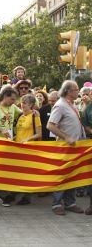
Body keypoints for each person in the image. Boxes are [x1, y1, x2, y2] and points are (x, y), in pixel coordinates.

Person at [47, 80, 85, 215]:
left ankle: (70, 203)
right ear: (68, 91)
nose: (78, 92)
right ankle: (56, 204)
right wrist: (66, 137)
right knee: (62, 175)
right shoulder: (60, 105)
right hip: (65, 147)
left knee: (72, 175)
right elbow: (50, 125)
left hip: (74, 148)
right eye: (76, 89)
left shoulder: (71, 104)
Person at [13, 94, 42, 205]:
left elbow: (39, 134)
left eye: (25, 103)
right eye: (22, 102)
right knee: (20, 172)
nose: (22, 104)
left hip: (29, 149)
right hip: (18, 148)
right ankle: (19, 192)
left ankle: (27, 197)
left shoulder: (35, 116)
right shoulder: (20, 116)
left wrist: (27, 139)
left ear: (31, 105)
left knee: (28, 173)